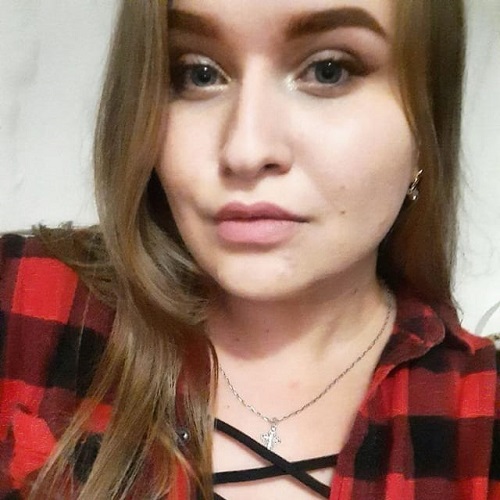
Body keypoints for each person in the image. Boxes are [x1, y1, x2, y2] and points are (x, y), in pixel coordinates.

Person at [0, 0, 498, 498]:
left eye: (328, 71)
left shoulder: (480, 417)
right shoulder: (25, 303)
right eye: (198, 74)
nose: (245, 151)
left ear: (425, 126)